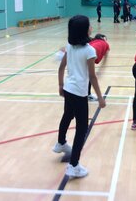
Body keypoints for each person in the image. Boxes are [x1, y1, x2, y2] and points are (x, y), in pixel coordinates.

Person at [53, 15, 106, 178]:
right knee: (82, 128)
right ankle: (73, 165)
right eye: (89, 25)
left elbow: (61, 67)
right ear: (84, 30)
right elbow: (92, 76)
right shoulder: (89, 50)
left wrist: (61, 85)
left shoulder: (70, 46)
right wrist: (100, 98)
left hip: (69, 89)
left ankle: (60, 143)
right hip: (79, 93)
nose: (91, 27)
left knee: (68, 115)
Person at [88, 34, 110, 100]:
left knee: (86, 76)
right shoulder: (106, 44)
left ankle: (86, 94)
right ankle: (88, 95)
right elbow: (105, 59)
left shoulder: (92, 42)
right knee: (90, 77)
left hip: (85, 56)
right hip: (89, 57)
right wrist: (101, 70)